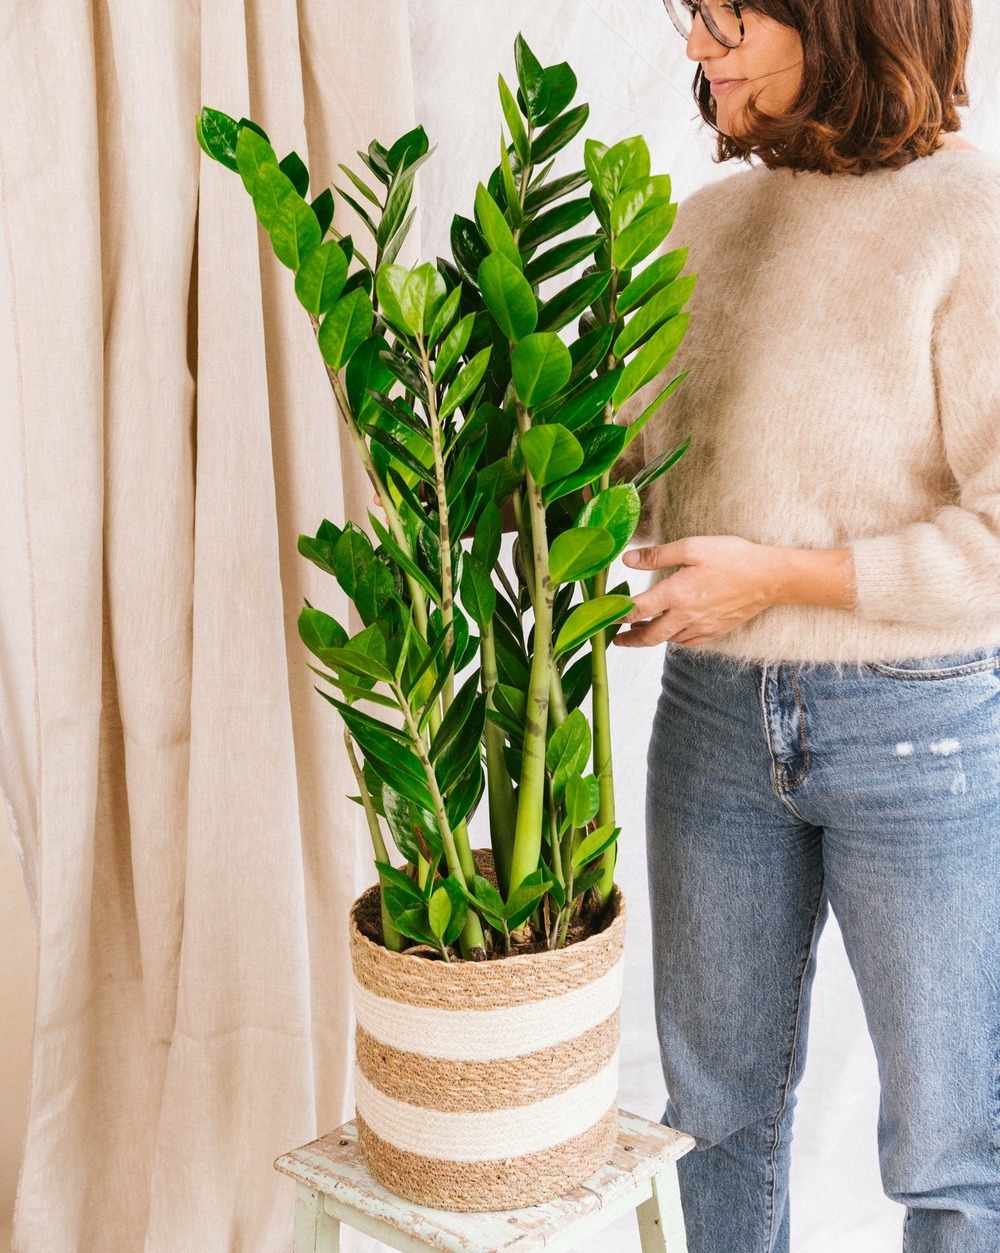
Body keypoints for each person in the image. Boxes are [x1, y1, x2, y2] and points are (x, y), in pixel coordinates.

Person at [611, 1, 1000, 1250]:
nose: (692, 48)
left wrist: (767, 577)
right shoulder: (706, 224)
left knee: (951, 1151)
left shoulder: (970, 218)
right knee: (708, 1122)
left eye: (725, 17)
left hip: (920, 728)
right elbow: (632, 476)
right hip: (712, 722)